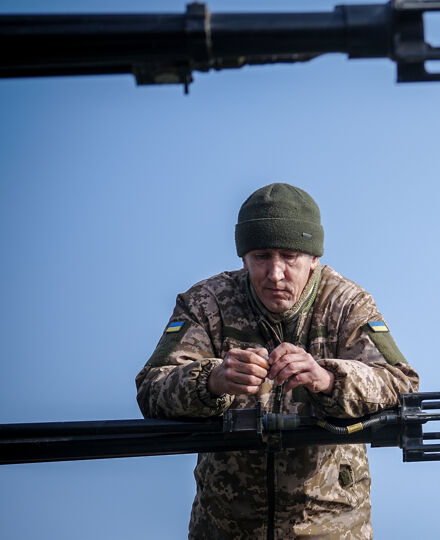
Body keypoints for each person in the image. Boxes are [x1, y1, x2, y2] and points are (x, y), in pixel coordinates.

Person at [135, 183, 419, 540]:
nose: (275, 274)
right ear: (243, 257)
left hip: (329, 527)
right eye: (261, 256)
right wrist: (211, 380)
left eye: (289, 256)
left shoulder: (346, 304)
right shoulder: (208, 303)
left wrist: (328, 379)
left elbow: (400, 385)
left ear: (314, 258)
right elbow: (151, 389)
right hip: (225, 528)